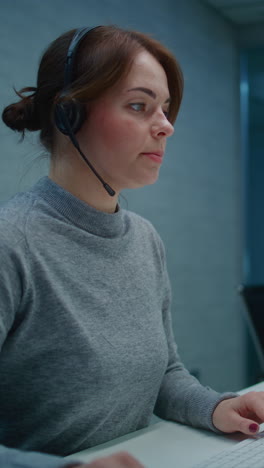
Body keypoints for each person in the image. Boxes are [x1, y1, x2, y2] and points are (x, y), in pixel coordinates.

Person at [1, 25, 264, 468]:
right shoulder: (12, 243)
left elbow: (165, 374)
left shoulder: (144, 239)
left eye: (164, 109)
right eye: (140, 106)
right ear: (69, 115)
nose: (166, 127)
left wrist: (216, 408)